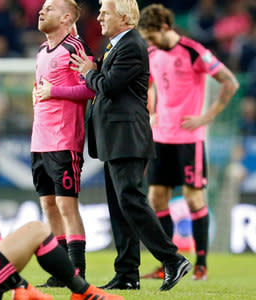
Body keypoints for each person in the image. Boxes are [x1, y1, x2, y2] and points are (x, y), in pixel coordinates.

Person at [69, 0, 191, 291]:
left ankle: (172, 259)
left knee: (130, 200)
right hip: (114, 137)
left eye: (104, 12)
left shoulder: (132, 45)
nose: (98, 16)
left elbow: (109, 85)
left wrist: (89, 72)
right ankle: (127, 274)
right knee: (119, 206)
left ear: (123, 16)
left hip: (127, 136)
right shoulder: (116, 45)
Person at [137, 4, 240, 281]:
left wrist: (206, 117)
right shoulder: (152, 54)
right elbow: (147, 85)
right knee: (156, 198)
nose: (149, 42)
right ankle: (168, 263)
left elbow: (229, 82)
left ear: (164, 28)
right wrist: (151, 113)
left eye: (151, 36)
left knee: (194, 199)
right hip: (161, 137)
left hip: (188, 139)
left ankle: (201, 265)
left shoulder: (194, 51)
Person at [31, 0, 96, 287]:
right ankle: (60, 272)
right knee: (48, 204)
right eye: (42, 7)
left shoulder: (74, 48)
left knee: (66, 205)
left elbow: (92, 87)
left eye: (50, 8)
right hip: (40, 140)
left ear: (67, 17)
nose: (42, 11)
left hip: (64, 138)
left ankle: (77, 271)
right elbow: (41, 91)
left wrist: (53, 91)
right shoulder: (41, 52)